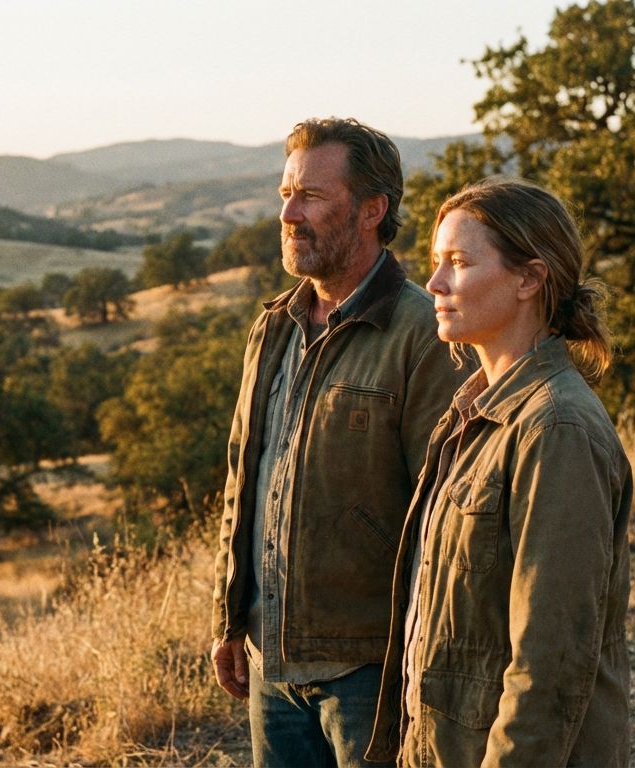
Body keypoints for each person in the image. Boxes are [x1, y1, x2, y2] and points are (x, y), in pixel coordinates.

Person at [209, 117, 473, 767]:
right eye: (285, 195)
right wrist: (228, 618)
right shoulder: (274, 325)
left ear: (371, 210)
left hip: (370, 672)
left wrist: (427, 664)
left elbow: (447, 518)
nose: (288, 214)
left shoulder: (424, 334)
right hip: (269, 665)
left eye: (310, 196)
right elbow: (244, 478)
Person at [365, 177, 632, 767]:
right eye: (436, 261)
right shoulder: (473, 411)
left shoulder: (555, 428)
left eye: (459, 263)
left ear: (529, 279)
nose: (434, 283)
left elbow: (551, 661)